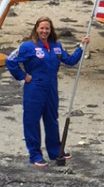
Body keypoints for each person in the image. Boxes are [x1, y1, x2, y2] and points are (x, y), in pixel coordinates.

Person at [6, 16, 89, 167]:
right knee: (32, 121)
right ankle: (35, 155)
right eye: (42, 28)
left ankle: (55, 151)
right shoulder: (27, 46)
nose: (44, 31)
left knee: (52, 120)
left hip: (51, 88)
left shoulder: (56, 46)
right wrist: (23, 76)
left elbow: (70, 61)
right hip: (34, 88)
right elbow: (10, 61)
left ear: (51, 30)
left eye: (47, 28)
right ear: (36, 29)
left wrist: (81, 47)